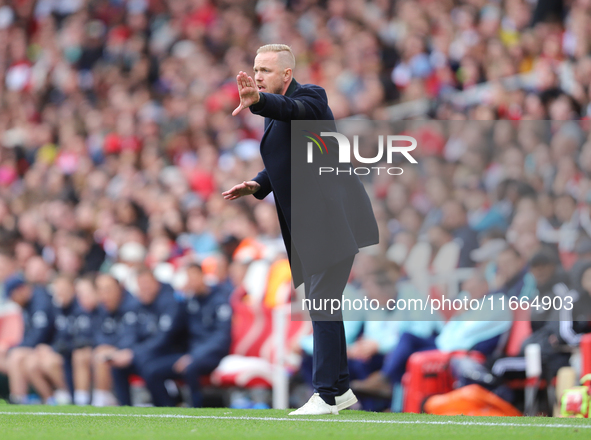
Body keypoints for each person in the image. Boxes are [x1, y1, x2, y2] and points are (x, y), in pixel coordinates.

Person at [223, 44, 379, 415]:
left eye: (265, 70)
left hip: (333, 222)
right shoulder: (273, 109)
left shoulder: (311, 97)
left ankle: (326, 394)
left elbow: (295, 113)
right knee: (324, 303)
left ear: (287, 74)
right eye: (255, 69)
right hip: (315, 225)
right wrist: (260, 183)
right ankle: (338, 390)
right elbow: (294, 154)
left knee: (322, 302)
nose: (257, 75)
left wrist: (258, 100)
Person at [142, 263, 232, 407]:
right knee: (152, 370)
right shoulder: (189, 301)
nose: (191, 281)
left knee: (191, 367)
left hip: (211, 354)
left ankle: (196, 410)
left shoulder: (219, 300)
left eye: (193, 276)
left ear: (202, 276)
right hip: (190, 354)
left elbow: (221, 337)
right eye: (188, 277)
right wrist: (179, 297)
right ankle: (169, 409)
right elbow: (177, 327)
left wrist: (194, 356)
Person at [109, 267, 186, 406]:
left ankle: (167, 407)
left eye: (147, 284)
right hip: (147, 353)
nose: (144, 289)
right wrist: (123, 352)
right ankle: (125, 410)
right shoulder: (138, 305)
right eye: (141, 286)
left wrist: (133, 353)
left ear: (156, 283)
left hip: (172, 353)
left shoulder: (170, 302)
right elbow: (130, 333)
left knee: (149, 367)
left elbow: (164, 338)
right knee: (118, 365)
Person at [4, 273, 55, 404]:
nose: (13, 300)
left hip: (51, 347)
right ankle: (25, 398)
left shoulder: (40, 300)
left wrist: (14, 348)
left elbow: (39, 335)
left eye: (12, 295)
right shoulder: (27, 305)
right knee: (12, 357)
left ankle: (19, 399)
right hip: (39, 347)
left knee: (17, 356)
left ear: (20, 290)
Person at [92, 274, 140, 407]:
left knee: (104, 355)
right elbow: (99, 335)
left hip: (137, 352)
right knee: (97, 353)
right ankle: (101, 399)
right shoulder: (103, 308)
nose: (104, 295)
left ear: (119, 288)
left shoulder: (133, 305)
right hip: (116, 351)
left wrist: (113, 349)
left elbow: (132, 337)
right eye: (100, 290)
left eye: (107, 289)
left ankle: (100, 402)